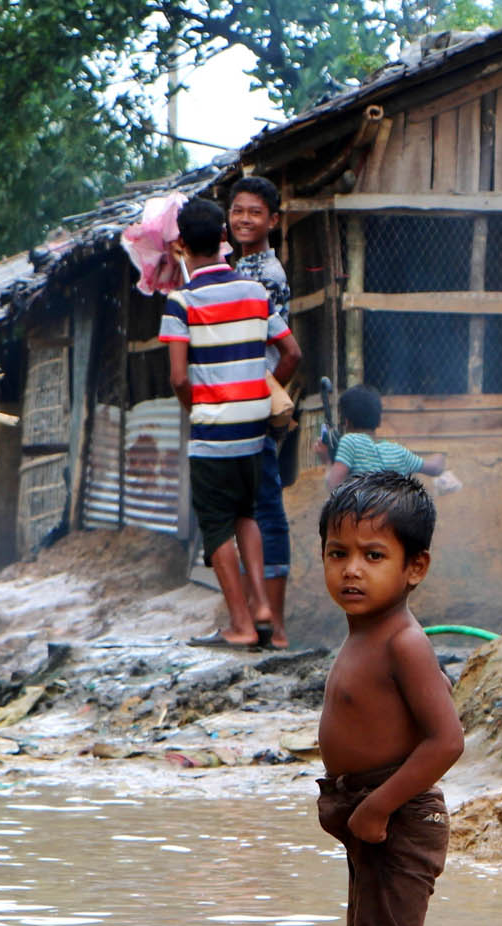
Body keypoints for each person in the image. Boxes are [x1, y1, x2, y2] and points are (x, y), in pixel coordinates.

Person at [314, 471, 464, 926]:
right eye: (338, 554)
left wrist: (376, 807)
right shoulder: (364, 633)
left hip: (398, 820)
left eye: (374, 556)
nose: (352, 570)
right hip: (373, 820)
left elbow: (446, 740)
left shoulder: (404, 641)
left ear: (415, 568)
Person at [161, 197, 292, 649]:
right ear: (223, 239)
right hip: (253, 429)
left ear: (180, 245)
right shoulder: (256, 293)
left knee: (217, 524)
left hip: (212, 431)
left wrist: (194, 409)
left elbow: (179, 376)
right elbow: (291, 352)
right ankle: (262, 609)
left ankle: (239, 623)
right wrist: (262, 391)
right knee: (247, 515)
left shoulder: (181, 302)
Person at [226, 176, 304, 649]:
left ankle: (274, 625)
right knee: (253, 510)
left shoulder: (264, 276)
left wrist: (272, 397)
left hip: (252, 406)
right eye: (238, 211)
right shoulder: (240, 267)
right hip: (247, 405)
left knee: (266, 510)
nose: (244, 220)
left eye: (255, 212)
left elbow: (284, 351)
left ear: (273, 220)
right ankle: (260, 620)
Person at [324, 385, 460, 494]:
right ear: (379, 420)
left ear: (347, 422)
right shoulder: (397, 451)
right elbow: (435, 468)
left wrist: (327, 460)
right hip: (392, 523)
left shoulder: (350, 441)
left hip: (363, 522)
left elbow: (333, 484)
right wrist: (441, 456)